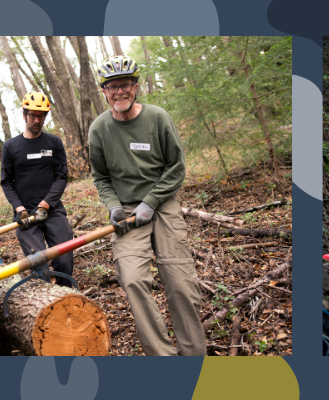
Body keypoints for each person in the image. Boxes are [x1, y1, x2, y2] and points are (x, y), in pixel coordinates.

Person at [88, 55, 205, 356]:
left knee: (180, 283)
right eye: (112, 87)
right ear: (104, 91)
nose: (119, 92)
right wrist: (114, 207)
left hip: (162, 204)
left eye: (125, 84)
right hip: (127, 211)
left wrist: (151, 201)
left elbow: (176, 168)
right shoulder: (99, 129)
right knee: (133, 280)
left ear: (136, 86)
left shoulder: (157, 118)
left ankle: (194, 357)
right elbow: (101, 177)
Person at [0, 92, 76, 288]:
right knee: (39, 265)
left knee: (64, 260)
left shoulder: (54, 143)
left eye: (41, 116)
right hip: (25, 216)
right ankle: (46, 299)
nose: (37, 120)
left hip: (53, 210)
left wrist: (46, 204)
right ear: (24, 115)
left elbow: (61, 176)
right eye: (33, 115)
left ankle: (66, 295)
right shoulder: (10, 146)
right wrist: (19, 208)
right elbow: (6, 182)